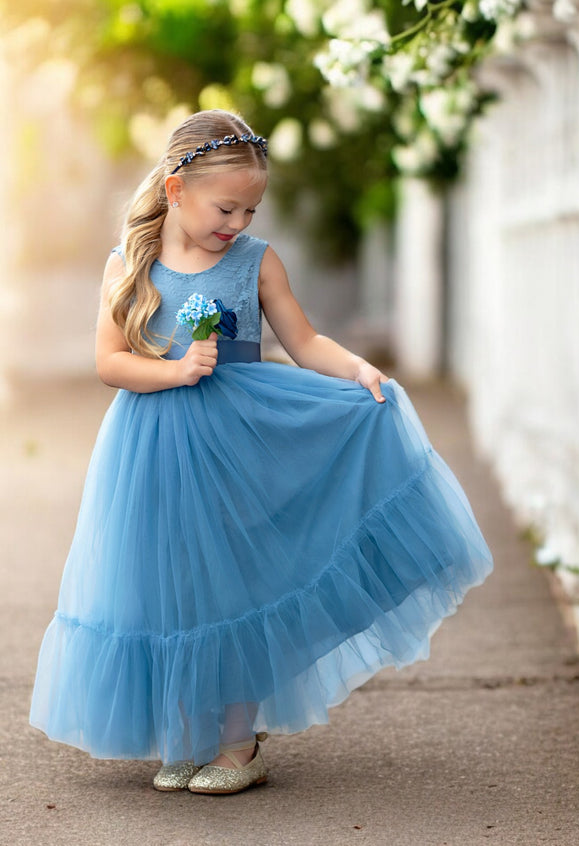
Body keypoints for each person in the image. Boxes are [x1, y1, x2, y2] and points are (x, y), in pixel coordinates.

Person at [30, 109, 493, 795]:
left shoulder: (256, 261)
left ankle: (238, 743)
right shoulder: (131, 264)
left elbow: (304, 342)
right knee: (171, 582)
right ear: (175, 188)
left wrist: (358, 370)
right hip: (151, 447)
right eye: (226, 207)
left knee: (234, 579)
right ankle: (185, 735)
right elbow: (110, 362)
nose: (239, 223)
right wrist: (174, 371)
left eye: (250, 209)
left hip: (240, 437)